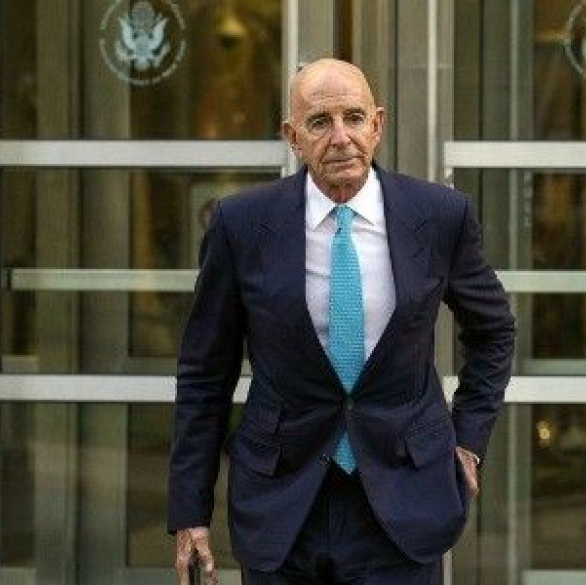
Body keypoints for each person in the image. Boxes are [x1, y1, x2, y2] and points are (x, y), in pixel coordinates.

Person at [168, 58, 515, 585]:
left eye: (353, 118)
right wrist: (190, 508)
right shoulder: (242, 224)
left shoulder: (440, 216)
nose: (340, 138)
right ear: (292, 138)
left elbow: (493, 332)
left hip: (403, 498)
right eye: (319, 122)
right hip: (282, 501)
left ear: (377, 125)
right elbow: (204, 373)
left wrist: (468, 437)